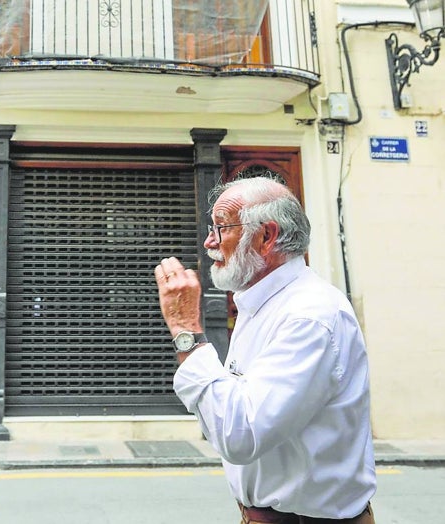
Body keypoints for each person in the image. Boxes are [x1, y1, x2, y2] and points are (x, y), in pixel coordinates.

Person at [154, 176, 376, 523]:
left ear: (266, 236)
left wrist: (186, 329)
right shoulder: (261, 302)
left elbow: (240, 435)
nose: (209, 242)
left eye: (220, 227)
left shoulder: (308, 315)